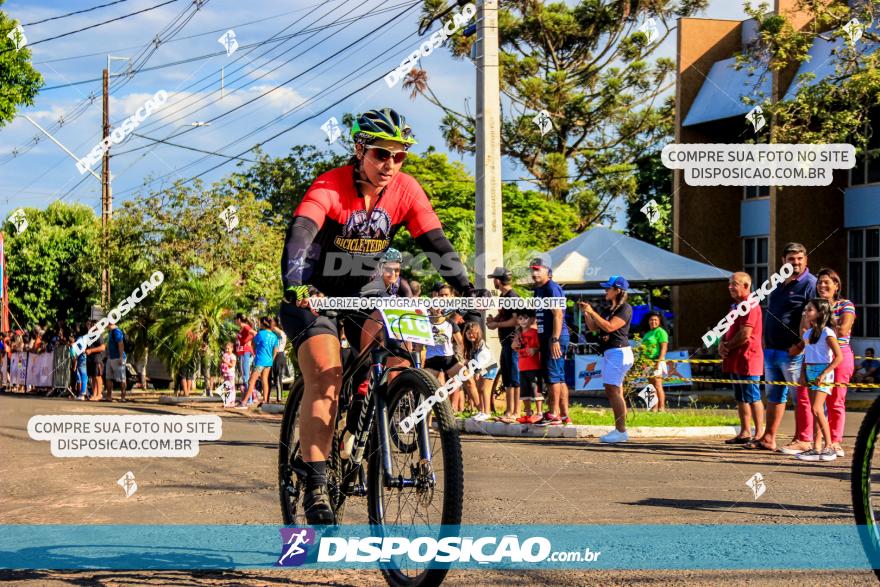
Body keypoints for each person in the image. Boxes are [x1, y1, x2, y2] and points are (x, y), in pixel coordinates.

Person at [278, 108, 474, 524]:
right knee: (327, 374)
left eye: (399, 156)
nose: (390, 165)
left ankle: (376, 410)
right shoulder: (330, 185)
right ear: (359, 150)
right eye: (382, 155)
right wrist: (296, 285)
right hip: (314, 293)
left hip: (365, 292)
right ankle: (314, 486)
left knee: (399, 351)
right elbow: (300, 237)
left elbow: (436, 242)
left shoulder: (405, 190)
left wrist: (468, 290)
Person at [752, 242, 817, 453]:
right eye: (791, 259)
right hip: (772, 349)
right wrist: (764, 338)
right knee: (773, 395)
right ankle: (768, 438)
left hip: (793, 352)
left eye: (799, 258)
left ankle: (803, 439)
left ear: (806, 260)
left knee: (801, 397)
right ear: (783, 261)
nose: (795, 263)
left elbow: (815, 319)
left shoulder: (810, 284)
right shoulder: (778, 283)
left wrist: (801, 345)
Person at [789, 268, 856, 457]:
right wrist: (814, 315)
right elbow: (804, 332)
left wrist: (822, 318)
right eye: (819, 282)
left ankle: (834, 443)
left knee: (836, 401)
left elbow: (843, 331)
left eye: (827, 282)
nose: (822, 285)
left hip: (838, 354)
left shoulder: (845, 305)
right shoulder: (813, 306)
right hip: (814, 356)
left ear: (837, 285)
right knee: (817, 405)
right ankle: (816, 443)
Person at [580, 276, 634, 442]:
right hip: (612, 353)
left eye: (608, 288)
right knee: (615, 390)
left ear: (618, 290)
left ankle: (621, 431)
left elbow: (610, 327)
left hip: (619, 352)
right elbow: (593, 327)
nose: (605, 290)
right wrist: (586, 313)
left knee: (612, 389)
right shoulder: (608, 309)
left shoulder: (625, 308)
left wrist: (592, 312)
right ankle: (620, 429)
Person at [715, 273, 765, 447]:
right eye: (729, 284)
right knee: (740, 397)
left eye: (734, 284)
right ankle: (744, 432)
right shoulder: (735, 306)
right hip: (735, 358)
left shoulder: (750, 304)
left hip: (748, 357)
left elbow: (745, 335)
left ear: (746, 286)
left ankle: (759, 435)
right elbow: (727, 327)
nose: (730, 287)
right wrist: (722, 342)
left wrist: (727, 346)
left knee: (753, 396)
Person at [794, 299, 842, 462]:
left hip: (823, 372)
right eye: (806, 310)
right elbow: (805, 355)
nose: (806, 312)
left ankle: (829, 446)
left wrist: (823, 374)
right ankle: (816, 448)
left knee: (817, 409)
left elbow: (838, 357)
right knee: (815, 410)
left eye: (810, 310)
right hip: (809, 371)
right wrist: (802, 374)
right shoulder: (808, 333)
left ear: (820, 313)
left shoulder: (828, 333)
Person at [530, 258, 571, 427]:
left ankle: (553, 414)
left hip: (555, 337)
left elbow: (558, 315)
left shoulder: (552, 288)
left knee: (553, 376)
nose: (534, 273)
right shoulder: (538, 290)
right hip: (546, 337)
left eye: (538, 269)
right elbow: (537, 317)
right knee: (558, 377)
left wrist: (554, 339)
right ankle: (564, 415)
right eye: (532, 269)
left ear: (548, 272)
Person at [487, 267, 520, 424]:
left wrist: (497, 324)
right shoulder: (503, 296)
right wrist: (494, 320)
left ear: (498, 280)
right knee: (507, 376)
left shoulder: (513, 296)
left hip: (513, 341)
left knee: (514, 377)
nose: (493, 281)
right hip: (505, 342)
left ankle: (516, 411)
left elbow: (516, 320)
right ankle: (509, 410)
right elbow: (504, 315)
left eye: (494, 278)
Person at [424, 307, 465, 411]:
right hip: (432, 360)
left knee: (467, 379)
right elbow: (420, 347)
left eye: (440, 306)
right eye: (435, 306)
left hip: (448, 358)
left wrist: (461, 358)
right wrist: (419, 364)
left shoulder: (450, 322)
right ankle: (427, 423)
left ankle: (483, 412)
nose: (438, 309)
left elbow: (461, 343)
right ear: (430, 308)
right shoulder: (425, 322)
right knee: (429, 391)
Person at [462, 321, 498, 420]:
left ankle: (487, 412)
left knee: (484, 390)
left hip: (490, 367)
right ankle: (482, 411)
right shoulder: (472, 345)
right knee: (479, 389)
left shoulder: (481, 344)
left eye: (473, 333)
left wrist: (478, 371)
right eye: (468, 333)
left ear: (478, 333)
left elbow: (484, 358)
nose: (471, 335)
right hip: (481, 368)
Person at [513, 311, 543, 423]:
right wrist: (515, 343)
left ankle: (539, 412)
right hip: (522, 366)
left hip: (534, 366)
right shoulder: (518, 333)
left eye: (525, 318)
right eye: (520, 318)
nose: (523, 321)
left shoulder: (534, 332)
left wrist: (535, 349)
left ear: (531, 319)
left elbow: (541, 346)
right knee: (524, 392)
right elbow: (513, 346)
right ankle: (528, 413)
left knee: (536, 390)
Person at [241, 316, 279, 407]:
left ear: (263, 323)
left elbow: (253, 345)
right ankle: (265, 401)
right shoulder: (274, 336)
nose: (259, 324)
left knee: (251, 381)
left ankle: (244, 402)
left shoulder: (261, 334)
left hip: (260, 361)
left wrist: (255, 354)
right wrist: (271, 360)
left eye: (259, 323)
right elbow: (276, 350)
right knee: (264, 380)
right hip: (268, 362)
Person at [640, 311, 669, 412]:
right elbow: (643, 349)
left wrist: (658, 362)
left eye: (655, 320)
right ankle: (653, 408)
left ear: (659, 321)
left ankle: (661, 408)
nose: (653, 321)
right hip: (646, 362)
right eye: (651, 320)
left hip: (657, 360)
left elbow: (664, 348)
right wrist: (642, 362)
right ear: (648, 322)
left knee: (657, 385)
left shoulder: (661, 332)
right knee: (650, 386)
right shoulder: (647, 333)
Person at [105, 321, 127, 402]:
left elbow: (120, 344)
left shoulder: (117, 332)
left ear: (110, 323)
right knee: (108, 377)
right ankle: (108, 396)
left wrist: (121, 357)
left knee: (121, 378)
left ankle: (123, 396)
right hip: (111, 358)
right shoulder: (110, 332)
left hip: (118, 357)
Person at [85, 321, 106, 402]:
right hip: (90, 359)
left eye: (90, 325)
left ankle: (98, 394)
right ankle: (94, 394)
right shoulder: (89, 336)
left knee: (98, 376)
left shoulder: (98, 335)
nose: (88, 327)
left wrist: (91, 350)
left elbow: (103, 347)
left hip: (97, 359)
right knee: (93, 377)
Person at [235, 314, 256, 394]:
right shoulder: (242, 328)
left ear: (239, 320)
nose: (235, 321)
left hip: (245, 353)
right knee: (245, 376)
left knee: (246, 377)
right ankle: (248, 397)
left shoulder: (246, 327)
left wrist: (247, 341)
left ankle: (249, 399)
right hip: (242, 353)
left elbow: (254, 333)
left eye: (236, 319)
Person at [270, 316, 289, 403]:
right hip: (274, 355)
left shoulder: (282, 334)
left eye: (272, 321)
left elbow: (274, 329)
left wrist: (271, 326)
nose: (271, 323)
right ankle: (275, 397)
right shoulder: (275, 335)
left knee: (278, 377)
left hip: (279, 355)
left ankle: (279, 398)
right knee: (274, 377)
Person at [220, 343, 237, 407]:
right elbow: (222, 364)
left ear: (232, 349)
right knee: (226, 387)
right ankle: (227, 401)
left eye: (228, 348)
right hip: (225, 374)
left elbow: (233, 365)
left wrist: (225, 362)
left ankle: (232, 401)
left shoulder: (233, 356)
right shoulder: (225, 356)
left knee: (231, 387)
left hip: (230, 374)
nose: (227, 350)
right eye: (226, 349)